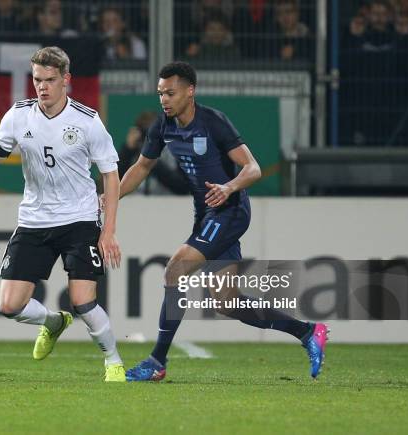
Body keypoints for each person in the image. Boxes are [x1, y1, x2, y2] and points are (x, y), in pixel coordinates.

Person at [116, 61, 328, 381]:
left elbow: (253, 168)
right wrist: (111, 197)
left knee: (175, 269)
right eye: (160, 93)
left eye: (170, 93)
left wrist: (229, 187)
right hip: (206, 214)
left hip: (229, 210)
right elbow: (142, 167)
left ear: (190, 91)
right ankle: (308, 331)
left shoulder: (213, 122)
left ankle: (157, 361)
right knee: (227, 302)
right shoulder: (162, 127)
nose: (164, 99)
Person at [0, 46, 126, 382]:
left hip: (79, 219)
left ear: (66, 80)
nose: (43, 87)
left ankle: (113, 361)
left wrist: (107, 231)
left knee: (82, 300)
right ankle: (52, 321)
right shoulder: (19, 116)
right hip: (34, 221)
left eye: (50, 80)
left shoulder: (87, 121)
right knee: (9, 305)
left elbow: (111, 175)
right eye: (37, 80)